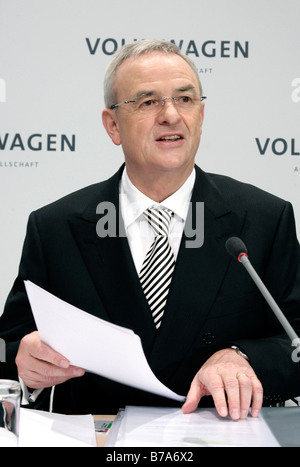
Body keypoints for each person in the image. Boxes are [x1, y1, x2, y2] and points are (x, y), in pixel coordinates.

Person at [0, 39, 299, 418]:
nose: (171, 115)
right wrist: (24, 361)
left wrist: (242, 356)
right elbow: (8, 346)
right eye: (147, 102)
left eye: (185, 99)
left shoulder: (263, 220)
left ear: (201, 117)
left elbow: (296, 343)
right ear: (112, 125)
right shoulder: (57, 228)